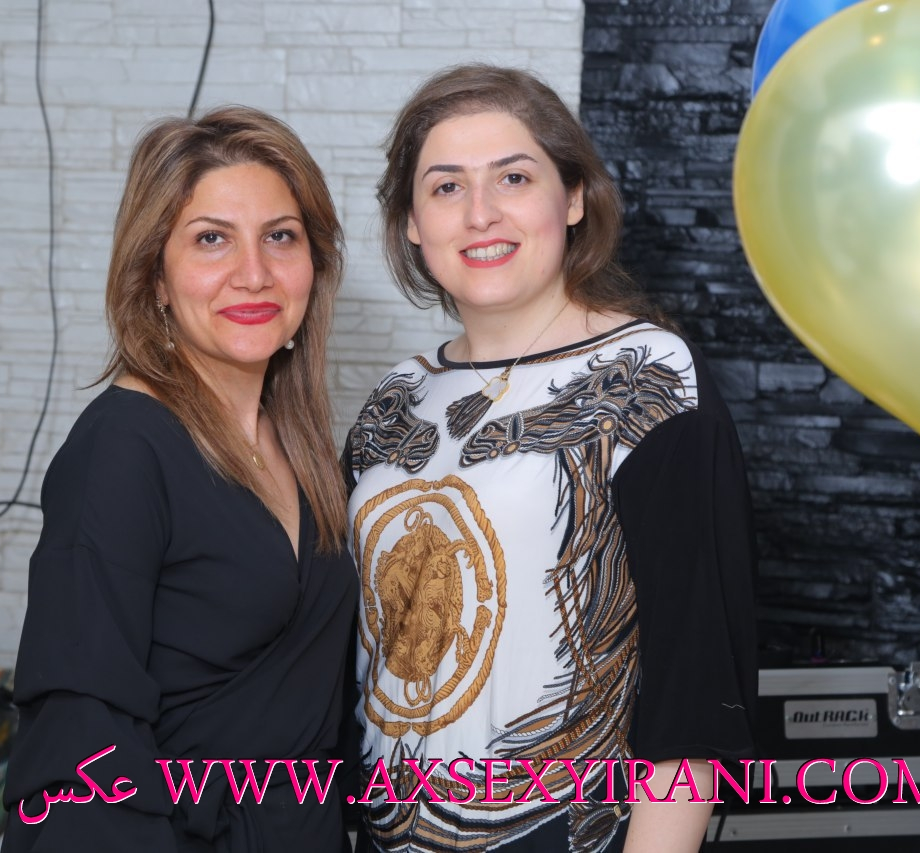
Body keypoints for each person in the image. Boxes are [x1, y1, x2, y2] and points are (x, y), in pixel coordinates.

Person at [343, 64, 757, 852]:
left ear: (572, 197)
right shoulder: (395, 399)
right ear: (411, 223)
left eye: (514, 177)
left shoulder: (651, 378)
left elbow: (696, 691)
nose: (481, 213)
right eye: (446, 186)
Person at [2, 106, 358, 852]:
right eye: (211, 239)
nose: (254, 273)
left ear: (314, 264)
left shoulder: (298, 441)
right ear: (155, 278)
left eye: (280, 236)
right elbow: (80, 735)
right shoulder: (122, 449)